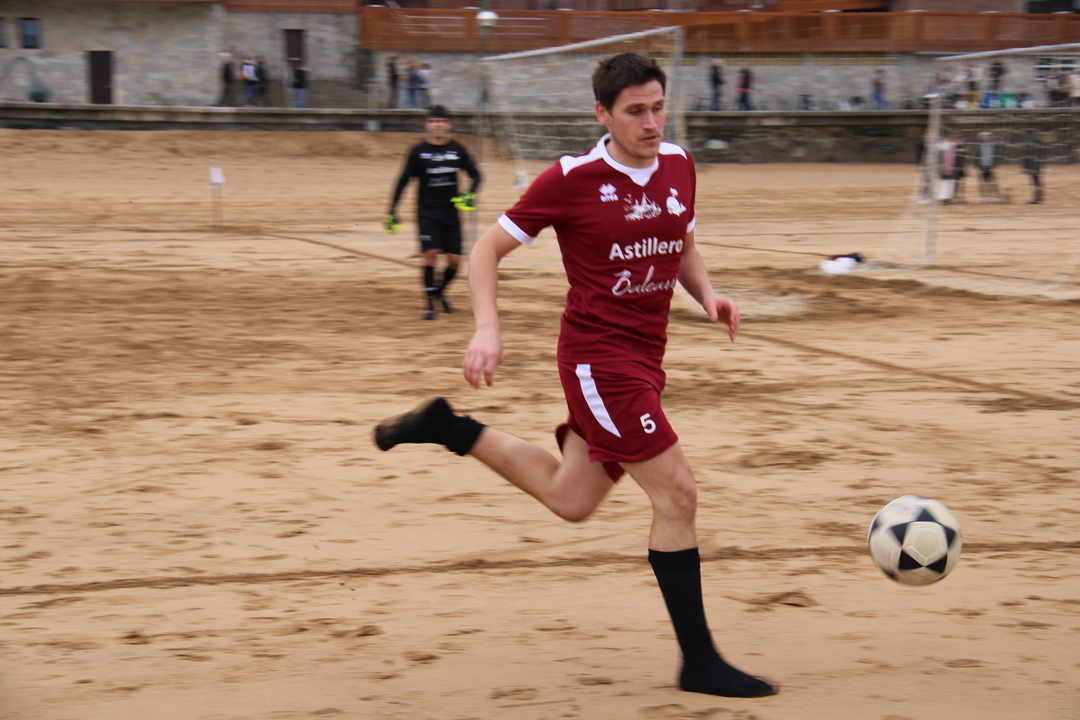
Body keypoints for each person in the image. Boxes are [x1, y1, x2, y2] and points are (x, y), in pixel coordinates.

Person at [374, 53, 776, 699]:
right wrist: (487, 328)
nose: (651, 123)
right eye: (635, 111)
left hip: (646, 357)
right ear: (603, 114)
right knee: (678, 494)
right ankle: (699, 662)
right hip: (598, 360)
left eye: (657, 107)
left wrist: (707, 294)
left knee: (571, 499)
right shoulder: (571, 178)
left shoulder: (679, 164)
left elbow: (682, 244)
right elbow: (487, 250)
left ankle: (449, 427)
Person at [384, 105, 481, 320]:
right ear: (427, 124)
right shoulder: (418, 151)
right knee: (430, 255)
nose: (438, 125)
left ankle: (440, 291)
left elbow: (477, 175)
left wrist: (470, 193)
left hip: (451, 213)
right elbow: (403, 180)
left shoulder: (458, 149)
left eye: (442, 121)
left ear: (449, 124)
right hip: (426, 212)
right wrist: (392, 209)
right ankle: (429, 304)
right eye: (434, 121)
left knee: (455, 261)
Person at [976, 131, 1002, 203]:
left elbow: (996, 156)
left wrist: (994, 164)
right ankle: (984, 197)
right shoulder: (979, 147)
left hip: (990, 167)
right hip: (982, 167)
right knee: (983, 183)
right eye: (985, 137)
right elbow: (976, 157)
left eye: (989, 137)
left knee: (993, 182)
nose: (987, 138)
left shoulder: (993, 146)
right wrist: (979, 165)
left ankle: (997, 197)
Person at [1023, 129, 1044, 204]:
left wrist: (1026, 166)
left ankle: (1037, 198)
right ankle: (1038, 197)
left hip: (1033, 165)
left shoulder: (1030, 142)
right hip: (1037, 165)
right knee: (1037, 182)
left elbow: (1027, 155)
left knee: (1035, 182)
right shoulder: (1038, 140)